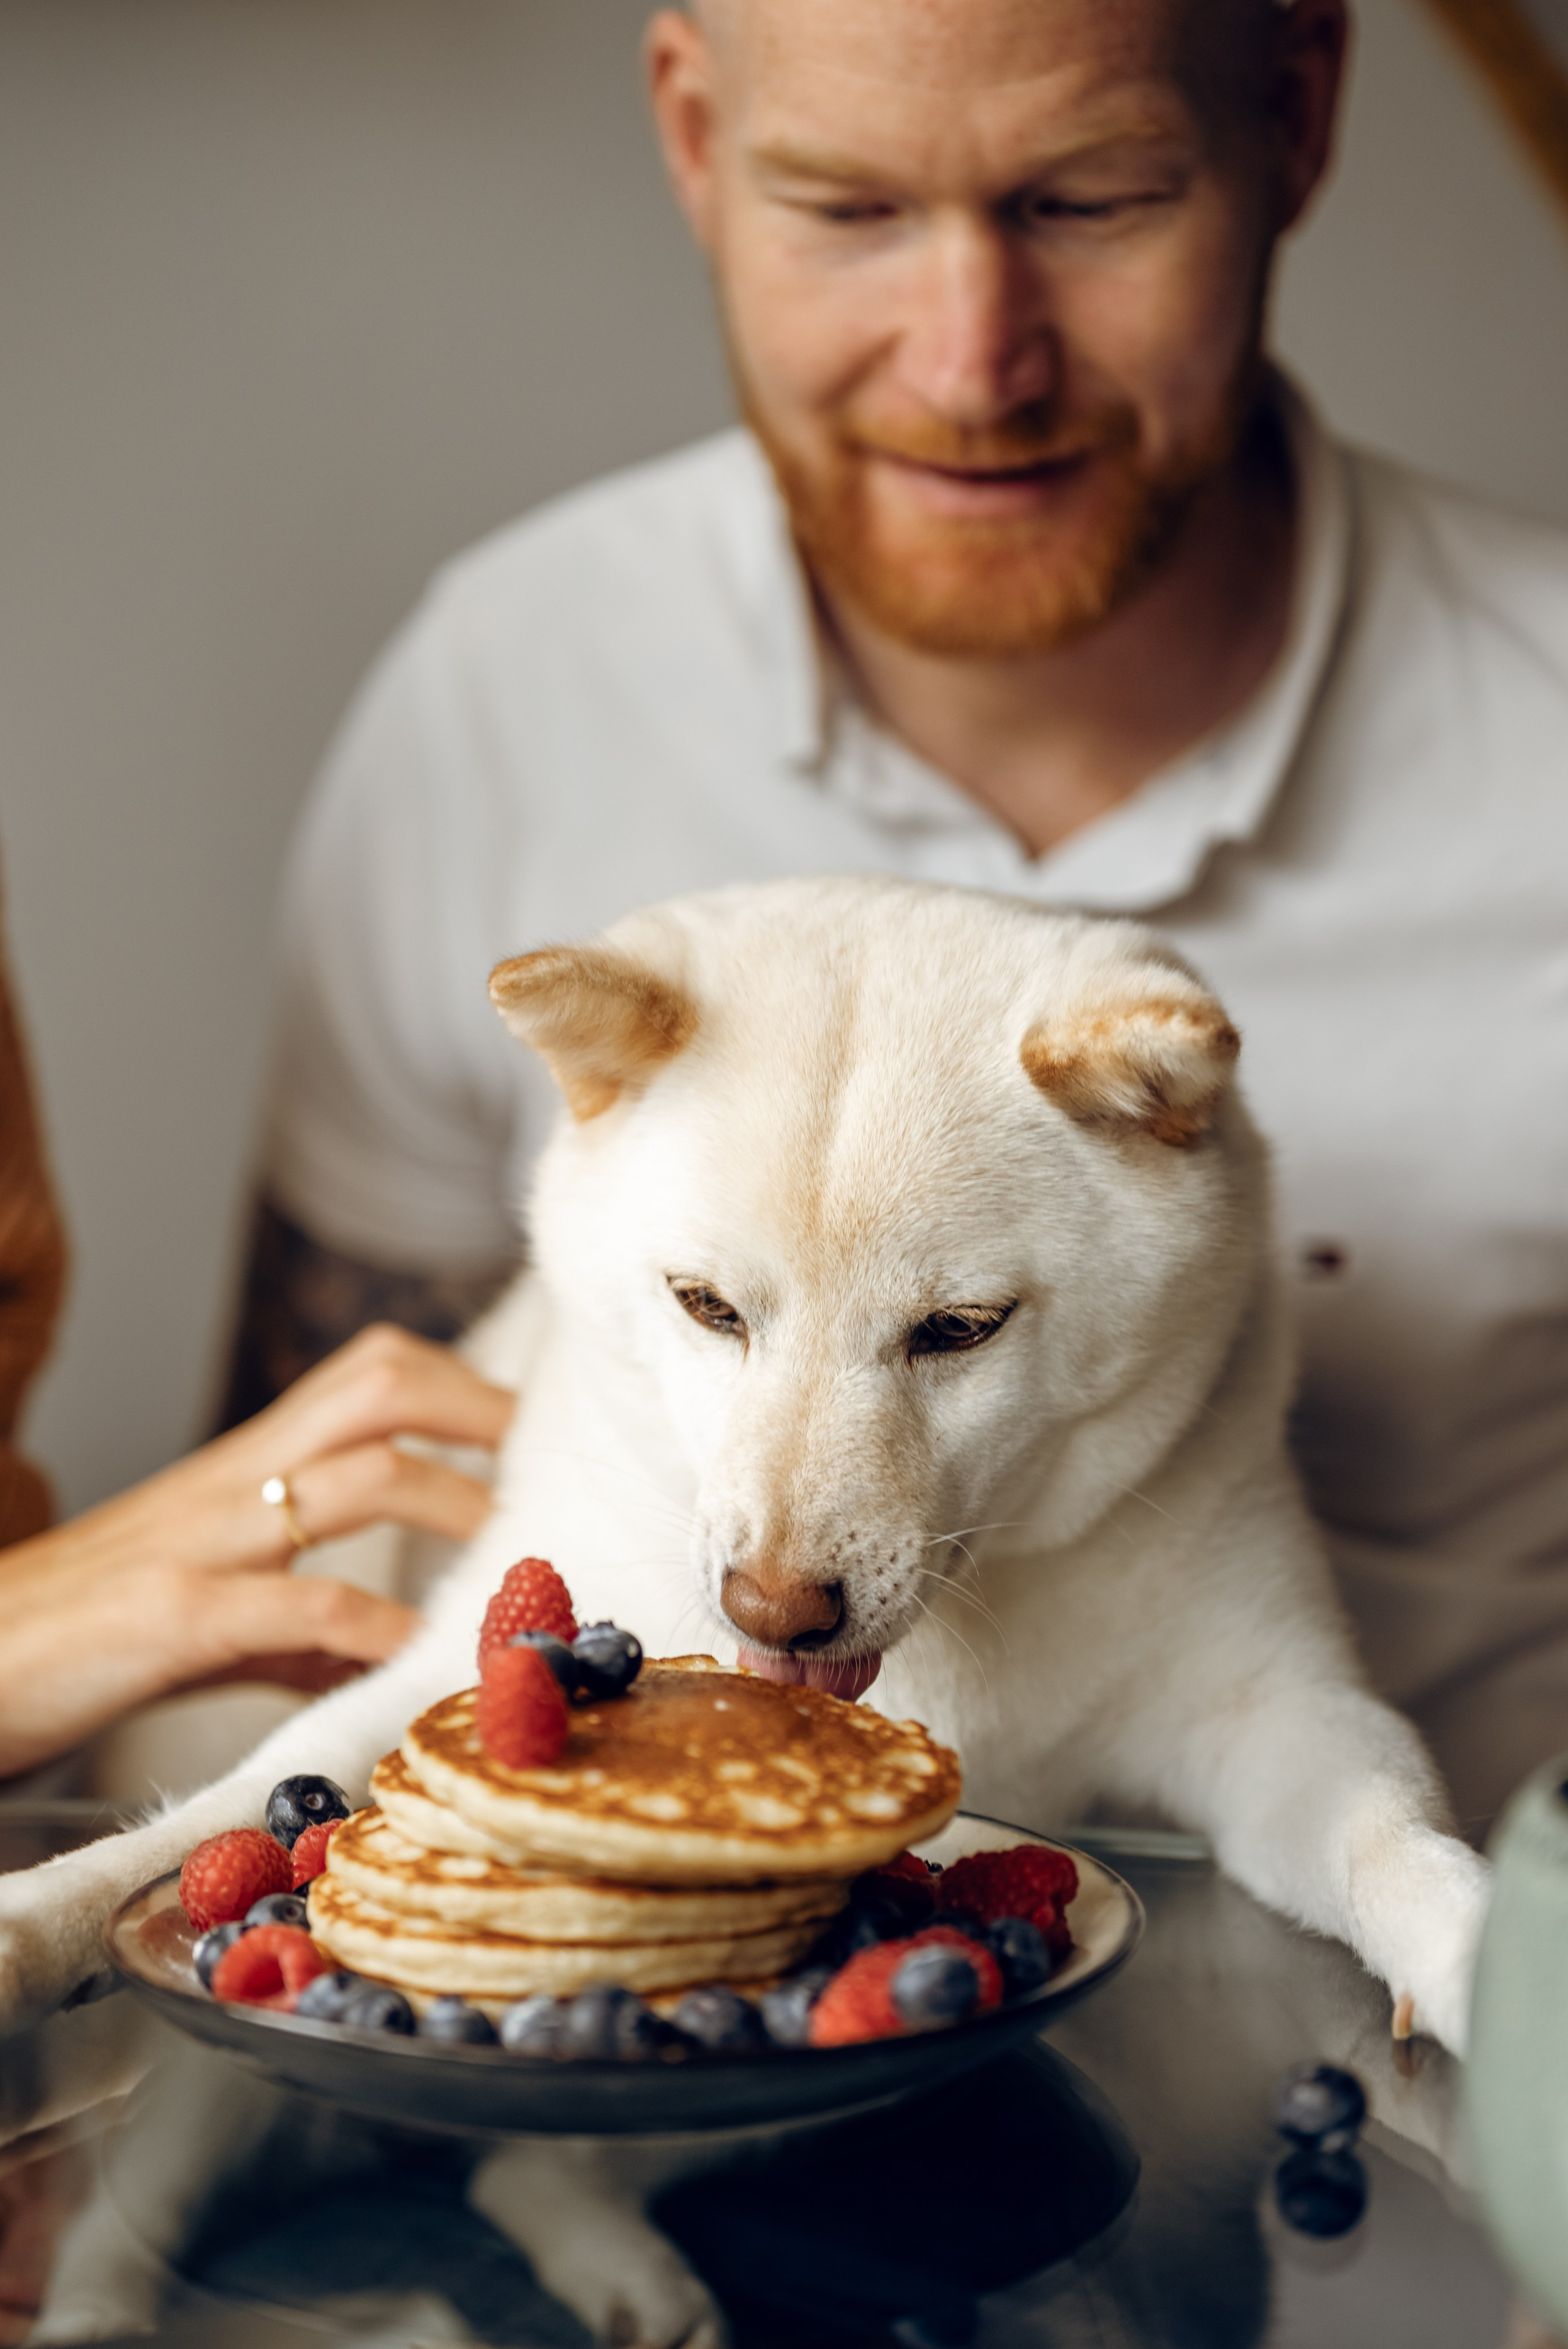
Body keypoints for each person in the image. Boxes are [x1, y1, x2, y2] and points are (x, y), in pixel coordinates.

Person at [228, 0, 1568, 1830]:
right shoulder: (504, 692)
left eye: (1091, 200)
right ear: (696, 137)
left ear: (1300, 115)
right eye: (846, 208)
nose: (971, 365)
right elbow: (333, 1488)